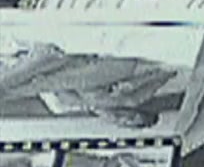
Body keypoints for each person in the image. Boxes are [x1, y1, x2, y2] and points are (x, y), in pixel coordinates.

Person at [0, 41, 179, 128]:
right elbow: (160, 77)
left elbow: (71, 96)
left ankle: (18, 78)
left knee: (53, 83)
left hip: (81, 80)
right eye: (134, 118)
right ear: (139, 112)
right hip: (117, 70)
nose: (126, 119)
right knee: (56, 82)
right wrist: (129, 85)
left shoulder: (101, 111)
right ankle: (35, 65)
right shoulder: (132, 100)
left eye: (128, 123)